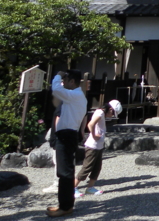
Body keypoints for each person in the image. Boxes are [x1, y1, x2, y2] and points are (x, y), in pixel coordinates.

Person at [47, 70, 87, 218]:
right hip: (69, 134)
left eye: (65, 80)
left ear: (72, 82)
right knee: (64, 170)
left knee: (65, 171)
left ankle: (66, 206)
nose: (63, 83)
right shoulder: (77, 96)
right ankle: (64, 204)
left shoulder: (74, 95)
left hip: (67, 135)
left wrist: (58, 75)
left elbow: (56, 89)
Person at [74, 99, 122, 197]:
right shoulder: (100, 113)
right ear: (110, 109)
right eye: (113, 113)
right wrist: (94, 135)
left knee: (97, 168)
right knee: (87, 167)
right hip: (92, 146)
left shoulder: (102, 114)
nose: (112, 116)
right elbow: (90, 124)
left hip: (98, 146)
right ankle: (73, 188)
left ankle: (90, 188)